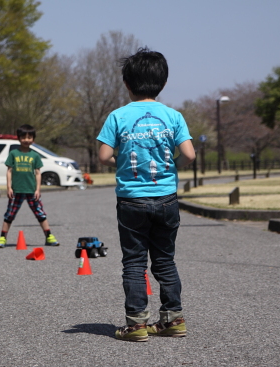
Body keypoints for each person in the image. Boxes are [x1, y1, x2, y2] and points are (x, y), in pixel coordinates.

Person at [97, 47, 196, 341]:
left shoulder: (118, 116)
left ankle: (137, 324)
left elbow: (103, 156)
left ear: (127, 84)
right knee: (165, 260)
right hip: (166, 199)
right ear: (163, 83)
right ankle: (173, 319)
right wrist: (172, 166)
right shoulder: (173, 115)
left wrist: (121, 163)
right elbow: (189, 154)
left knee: (134, 262)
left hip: (131, 200)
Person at [0, 124, 60, 248]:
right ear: (18, 138)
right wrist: (9, 187)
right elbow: (9, 171)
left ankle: (49, 236)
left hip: (31, 190)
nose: (26, 140)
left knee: (40, 214)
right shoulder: (14, 153)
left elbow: (37, 173)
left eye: (29, 137)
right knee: (9, 214)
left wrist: (38, 189)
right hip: (16, 190)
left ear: (33, 139)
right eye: (23, 137)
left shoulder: (35, 155)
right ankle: (2, 237)